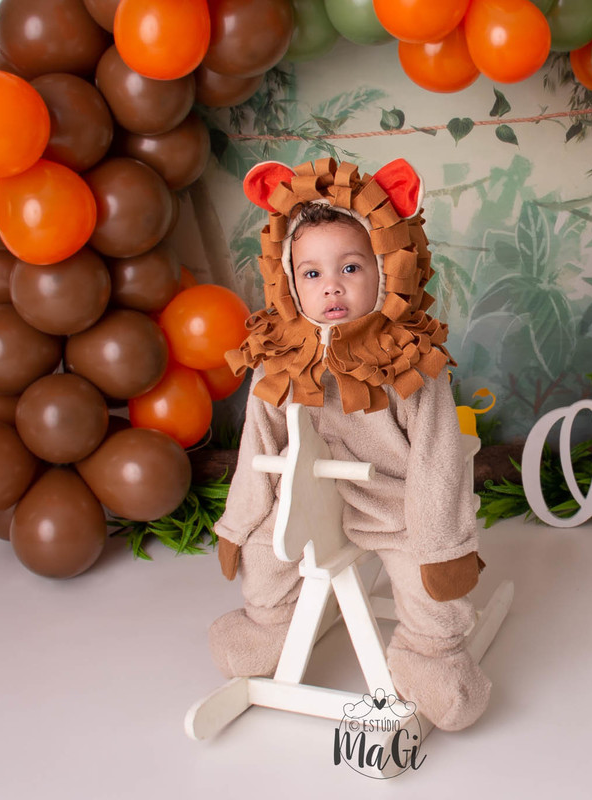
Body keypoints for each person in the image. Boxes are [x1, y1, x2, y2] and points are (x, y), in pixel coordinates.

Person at [208, 157, 491, 731]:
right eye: (311, 273)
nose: (331, 285)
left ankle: (432, 654)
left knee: (428, 585)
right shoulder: (278, 358)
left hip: (394, 503)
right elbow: (257, 449)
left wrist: (442, 546)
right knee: (267, 551)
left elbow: (437, 460)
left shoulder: (411, 360)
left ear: (385, 268)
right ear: (289, 282)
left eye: (351, 267)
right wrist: (239, 525)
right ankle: (269, 622)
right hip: (308, 500)